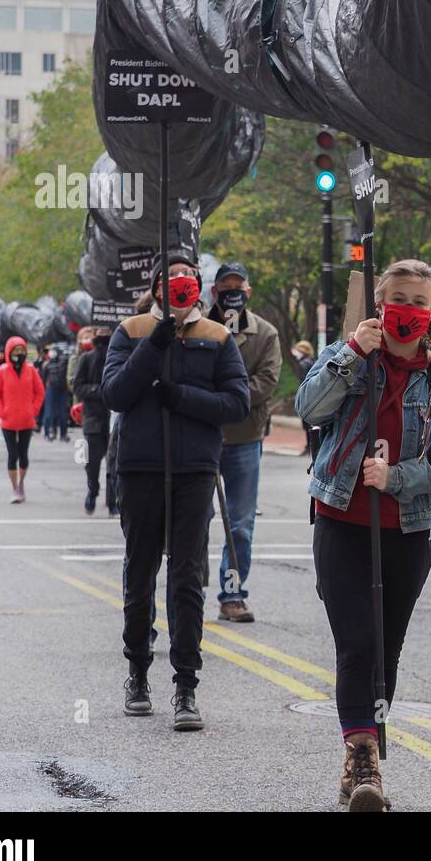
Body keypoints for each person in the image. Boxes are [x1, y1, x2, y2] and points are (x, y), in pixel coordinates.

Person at [296, 259, 431, 812]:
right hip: (341, 518)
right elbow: (308, 409)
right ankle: (363, 756)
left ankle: (363, 758)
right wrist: (353, 353)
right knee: (356, 641)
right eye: (397, 298)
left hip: (408, 528)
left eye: (418, 301)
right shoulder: (354, 358)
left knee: (386, 647)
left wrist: (398, 477)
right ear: (381, 304)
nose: (407, 310)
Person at [102, 251, 249, 731]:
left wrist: (182, 397)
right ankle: (138, 672)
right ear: (158, 286)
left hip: (193, 471)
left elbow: (236, 403)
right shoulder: (132, 331)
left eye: (190, 277)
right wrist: (155, 344)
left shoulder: (218, 337)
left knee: (186, 577)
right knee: (139, 572)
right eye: (173, 278)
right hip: (142, 467)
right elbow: (116, 394)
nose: (182, 283)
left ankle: (186, 684)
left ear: (199, 285)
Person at [205, 262, 281, 622]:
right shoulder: (195, 329)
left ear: (248, 292)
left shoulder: (265, 333)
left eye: (239, 286)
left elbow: (266, 382)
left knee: (239, 523)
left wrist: (221, 397)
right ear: (214, 293)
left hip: (243, 437)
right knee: (195, 518)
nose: (232, 292)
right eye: (225, 287)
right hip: (201, 436)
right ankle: (188, 588)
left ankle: (232, 593)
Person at [0, 336, 45, 503]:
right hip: (8, 420)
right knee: (12, 454)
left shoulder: (31, 371)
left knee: (24, 455)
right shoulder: (2, 371)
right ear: (9, 352)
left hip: (27, 420)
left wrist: (33, 410)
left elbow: (39, 392)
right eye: (16, 351)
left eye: (22, 350)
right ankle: (14, 488)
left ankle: (21, 484)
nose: (19, 354)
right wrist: (2, 411)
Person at [72, 327, 116, 515]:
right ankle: (92, 490)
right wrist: (99, 391)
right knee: (92, 463)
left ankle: (112, 500)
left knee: (113, 462)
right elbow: (78, 386)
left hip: (113, 418)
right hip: (93, 418)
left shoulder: (116, 358)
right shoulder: (87, 359)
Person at [40, 344, 71, 441]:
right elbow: (43, 378)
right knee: (49, 413)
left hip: (62, 390)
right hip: (51, 389)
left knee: (63, 414)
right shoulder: (47, 364)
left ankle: (63, 434)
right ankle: (47, 433)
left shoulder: (63, 362)